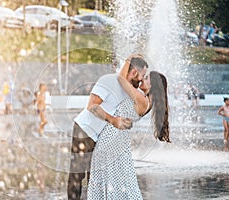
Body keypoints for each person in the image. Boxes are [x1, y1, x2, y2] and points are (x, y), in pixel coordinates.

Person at [67, 54, 148, 200]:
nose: (142, 79)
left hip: (100, 137)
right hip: (84, 131)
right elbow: (92, 106)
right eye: (143, 75)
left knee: (95, 178)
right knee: (77, 174)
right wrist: (113, 120)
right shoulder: (108, 81)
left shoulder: (129, 90)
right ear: (135, 72)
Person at [87, 59, 170, 199]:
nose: (142, 78)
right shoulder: (146, 100)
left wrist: (130, 58)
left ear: (153, 85)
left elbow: (120, 78)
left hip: (111, 138)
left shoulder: (142, 100)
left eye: (147, 78)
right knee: (119, 181)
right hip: (118, 140)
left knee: (110, 179)